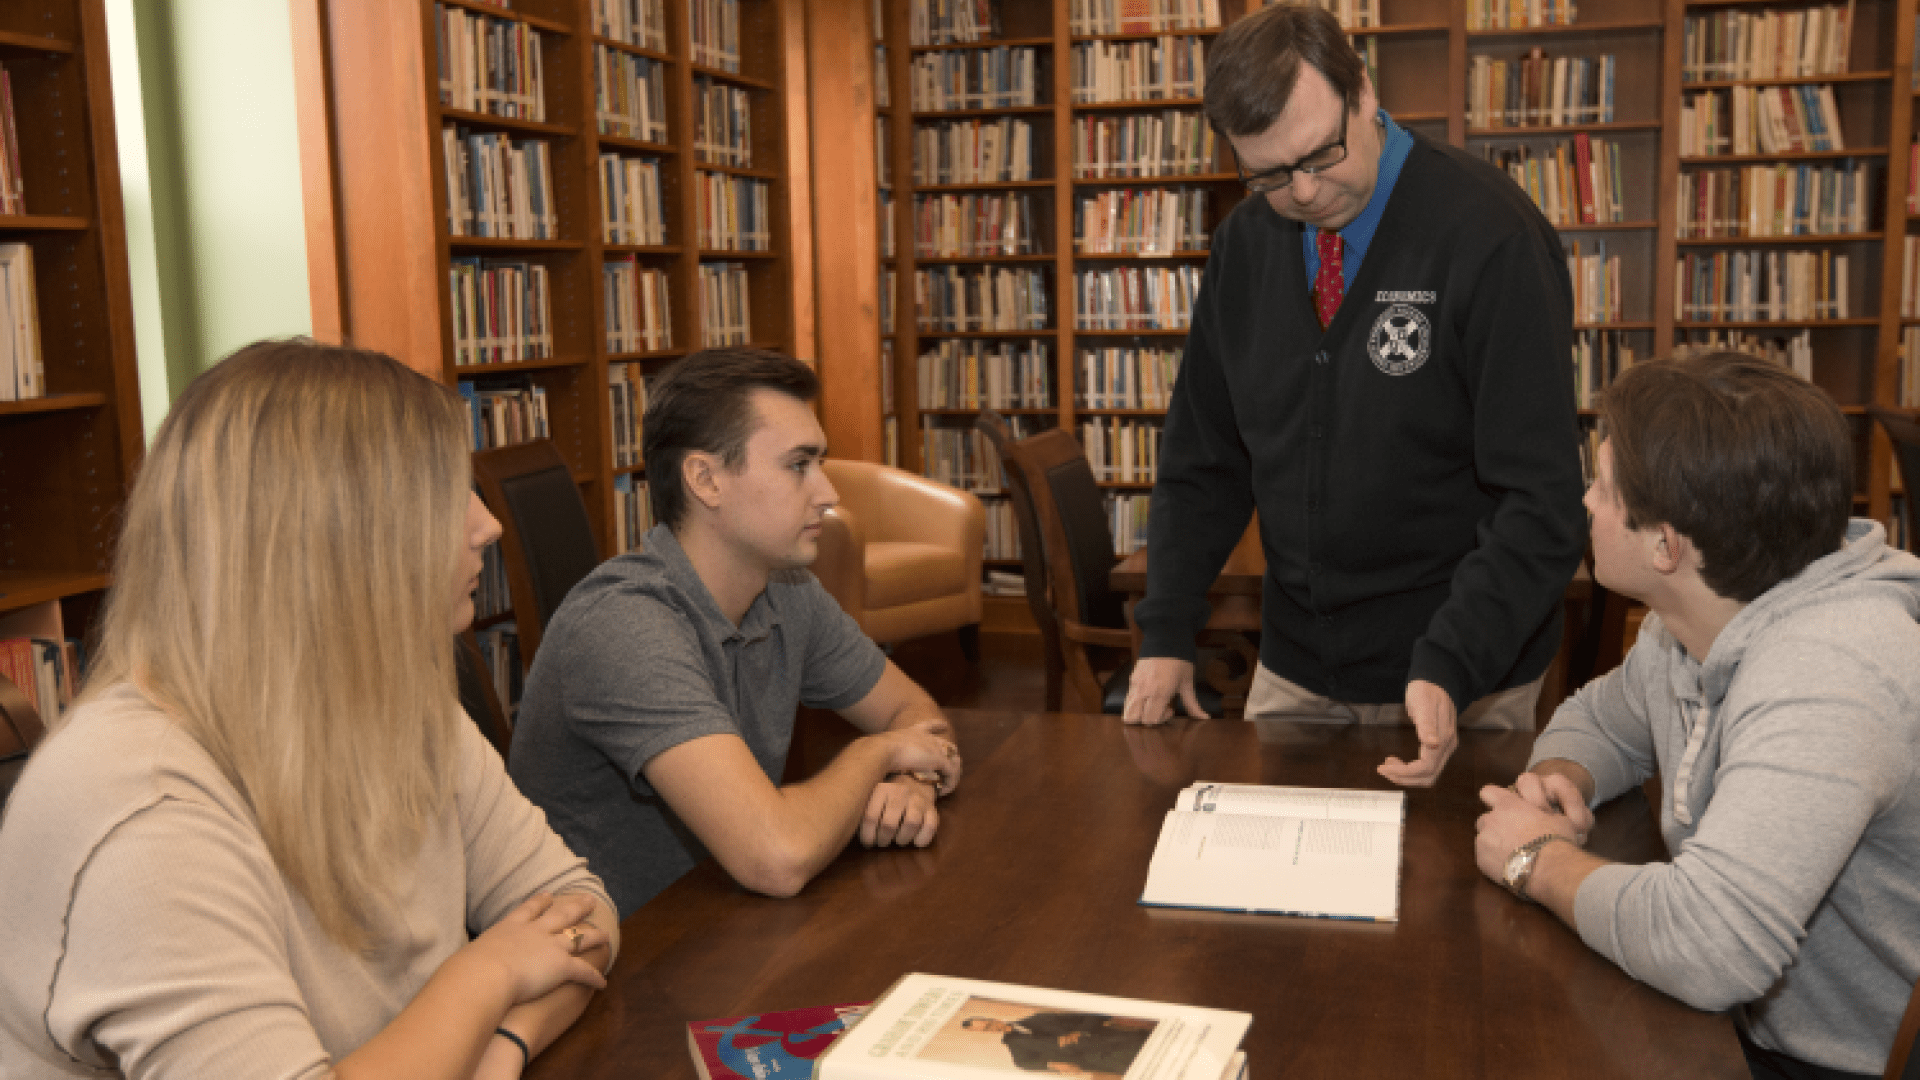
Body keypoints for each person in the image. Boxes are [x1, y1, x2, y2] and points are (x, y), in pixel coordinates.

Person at [0, 339, 619, 1079]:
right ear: (336, 540)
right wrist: (486, 976)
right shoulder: (139, 813)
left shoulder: (391, 701)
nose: (488, 524)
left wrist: (502, 1047)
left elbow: (583, 909)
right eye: (446, 492)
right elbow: (529, 946)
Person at [1122, 4, 1587, 789]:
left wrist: (1449, 659)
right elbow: (1204, 459)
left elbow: (1541, 502)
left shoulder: (1490, 237)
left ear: (1363, 91)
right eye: (1269, 175)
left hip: (1462, 681)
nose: (1304, 191)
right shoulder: (1243, 248)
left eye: (1321, 154)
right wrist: (1166, 627)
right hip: (1297, 672)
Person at [1474, 351, 1920, 1079]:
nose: (1586, 500)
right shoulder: (1699, 614)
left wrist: (1536, 861)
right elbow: (1605, 718)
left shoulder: (1831, 673)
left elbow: (1711, 945)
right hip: (1742, 1024)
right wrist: (1563, 776)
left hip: (1837, 1063)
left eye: (1607, 488)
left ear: (1665, 546)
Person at [509, 348, 961, 917]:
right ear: (705, 479)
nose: (827, 492)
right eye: (798, 465)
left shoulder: (787, 591)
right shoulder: (623, 624)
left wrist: (913, 778)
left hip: (719, 925)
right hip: (617, 966)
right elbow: (776, 855)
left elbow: (915, 712)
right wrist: (879, 753)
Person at [960, 1014, 1153, 1076]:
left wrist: (1080, 1031)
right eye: (986, 1030)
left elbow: (1092, 1015)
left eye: (988, 1024)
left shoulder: (1039, 1018)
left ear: (992, 1018)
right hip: (1102, 1060)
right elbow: (1023, 1064)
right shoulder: (1015, 1045)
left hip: (1116, 1040)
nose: (992, 1028)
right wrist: (1053, 1065)